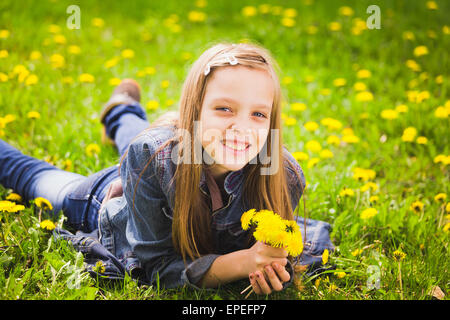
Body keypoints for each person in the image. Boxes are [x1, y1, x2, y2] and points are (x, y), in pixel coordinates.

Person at [0, 42, 334, 295]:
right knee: (33, 178)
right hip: (110, 197)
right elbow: (156, 265)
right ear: (195, 110)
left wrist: (270, 270)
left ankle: (122, 109)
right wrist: (241, 263)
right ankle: (124, 113)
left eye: (258, 114)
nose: (242, 128)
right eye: (224, 108)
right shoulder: (152, 155)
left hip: (165, 155)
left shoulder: (283, 175)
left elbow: (271, 253)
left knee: (153, 144)